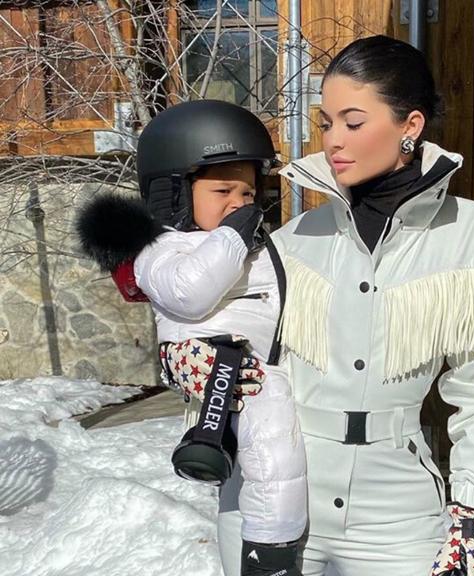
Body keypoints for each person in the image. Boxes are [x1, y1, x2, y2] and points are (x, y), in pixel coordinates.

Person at [203, 35, 474, 576]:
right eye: (326, 122)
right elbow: (228, 349)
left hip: (398, 512)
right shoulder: (293, 239)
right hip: (274, 495)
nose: (334, 140)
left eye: (353, 122)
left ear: (411, 125)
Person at [76, 100, 308, 576]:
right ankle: (272, 547)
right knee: (270, 422)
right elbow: (188, 294)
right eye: (222, 190)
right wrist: (232, 238)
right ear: (175, 193)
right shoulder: (159, 248)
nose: (239, 203)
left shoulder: (245, 242)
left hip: (256, 363)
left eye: (248, 192)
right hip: (230, 370)